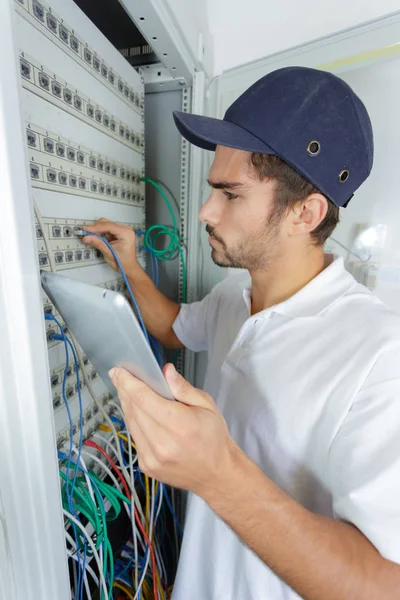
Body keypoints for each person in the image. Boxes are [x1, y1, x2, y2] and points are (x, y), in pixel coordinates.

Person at [83, 66, 400, 600]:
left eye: (230, 195)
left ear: (306, 212)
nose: (206, 211)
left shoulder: (379, 354)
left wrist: (218, 474)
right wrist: (131, 266)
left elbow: (382, 586)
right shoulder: (236, 296)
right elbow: (174, 328)